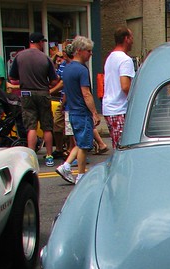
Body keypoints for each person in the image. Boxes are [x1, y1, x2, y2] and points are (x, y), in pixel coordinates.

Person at [55, 36, 100, 185]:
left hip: (72, 110)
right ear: (79, 51)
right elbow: (86, 93)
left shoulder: (67, 69)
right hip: (81, 111)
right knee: (84, 146)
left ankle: (66, 166)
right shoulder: (81, 70)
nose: (90, 54)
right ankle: (81, 175)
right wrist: (94, 112)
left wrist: (62, 106)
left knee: (80, 143)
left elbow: (66, 91)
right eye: (88, 51)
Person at [8, 32, 59, 165]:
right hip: (42, 93)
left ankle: (32, 157)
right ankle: (49, 156)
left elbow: (12, 77)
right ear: (40, 42)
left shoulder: (19, 56)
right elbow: (54, 81)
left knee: (31, 127)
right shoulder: (45, 58)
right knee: (47, 127)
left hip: (26, 94)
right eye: (43, 42)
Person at [103, 27, 135, 149]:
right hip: (119, 109)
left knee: (117, 145)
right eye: (131, 38)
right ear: (126, 39)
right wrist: (136, 99)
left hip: (110, 108)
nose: (133, 41)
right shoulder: (125, 60)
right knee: (123, 148)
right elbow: (125, 86)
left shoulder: (110, 58)